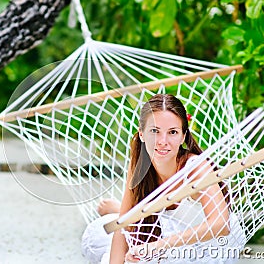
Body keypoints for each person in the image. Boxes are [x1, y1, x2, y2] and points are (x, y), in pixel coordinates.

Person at [81, 94, 245, 264]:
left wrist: (157, 246)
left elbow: (221, 226)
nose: (162, 141)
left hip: (210, 245)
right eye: (154, 131)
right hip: (168, 231)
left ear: (183, 136)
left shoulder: (195, 168)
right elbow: (124, 224)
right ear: (142, 134)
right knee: (97, 236)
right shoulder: (139, 165)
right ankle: (128, 212)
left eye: (172, 132)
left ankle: (127, 213)